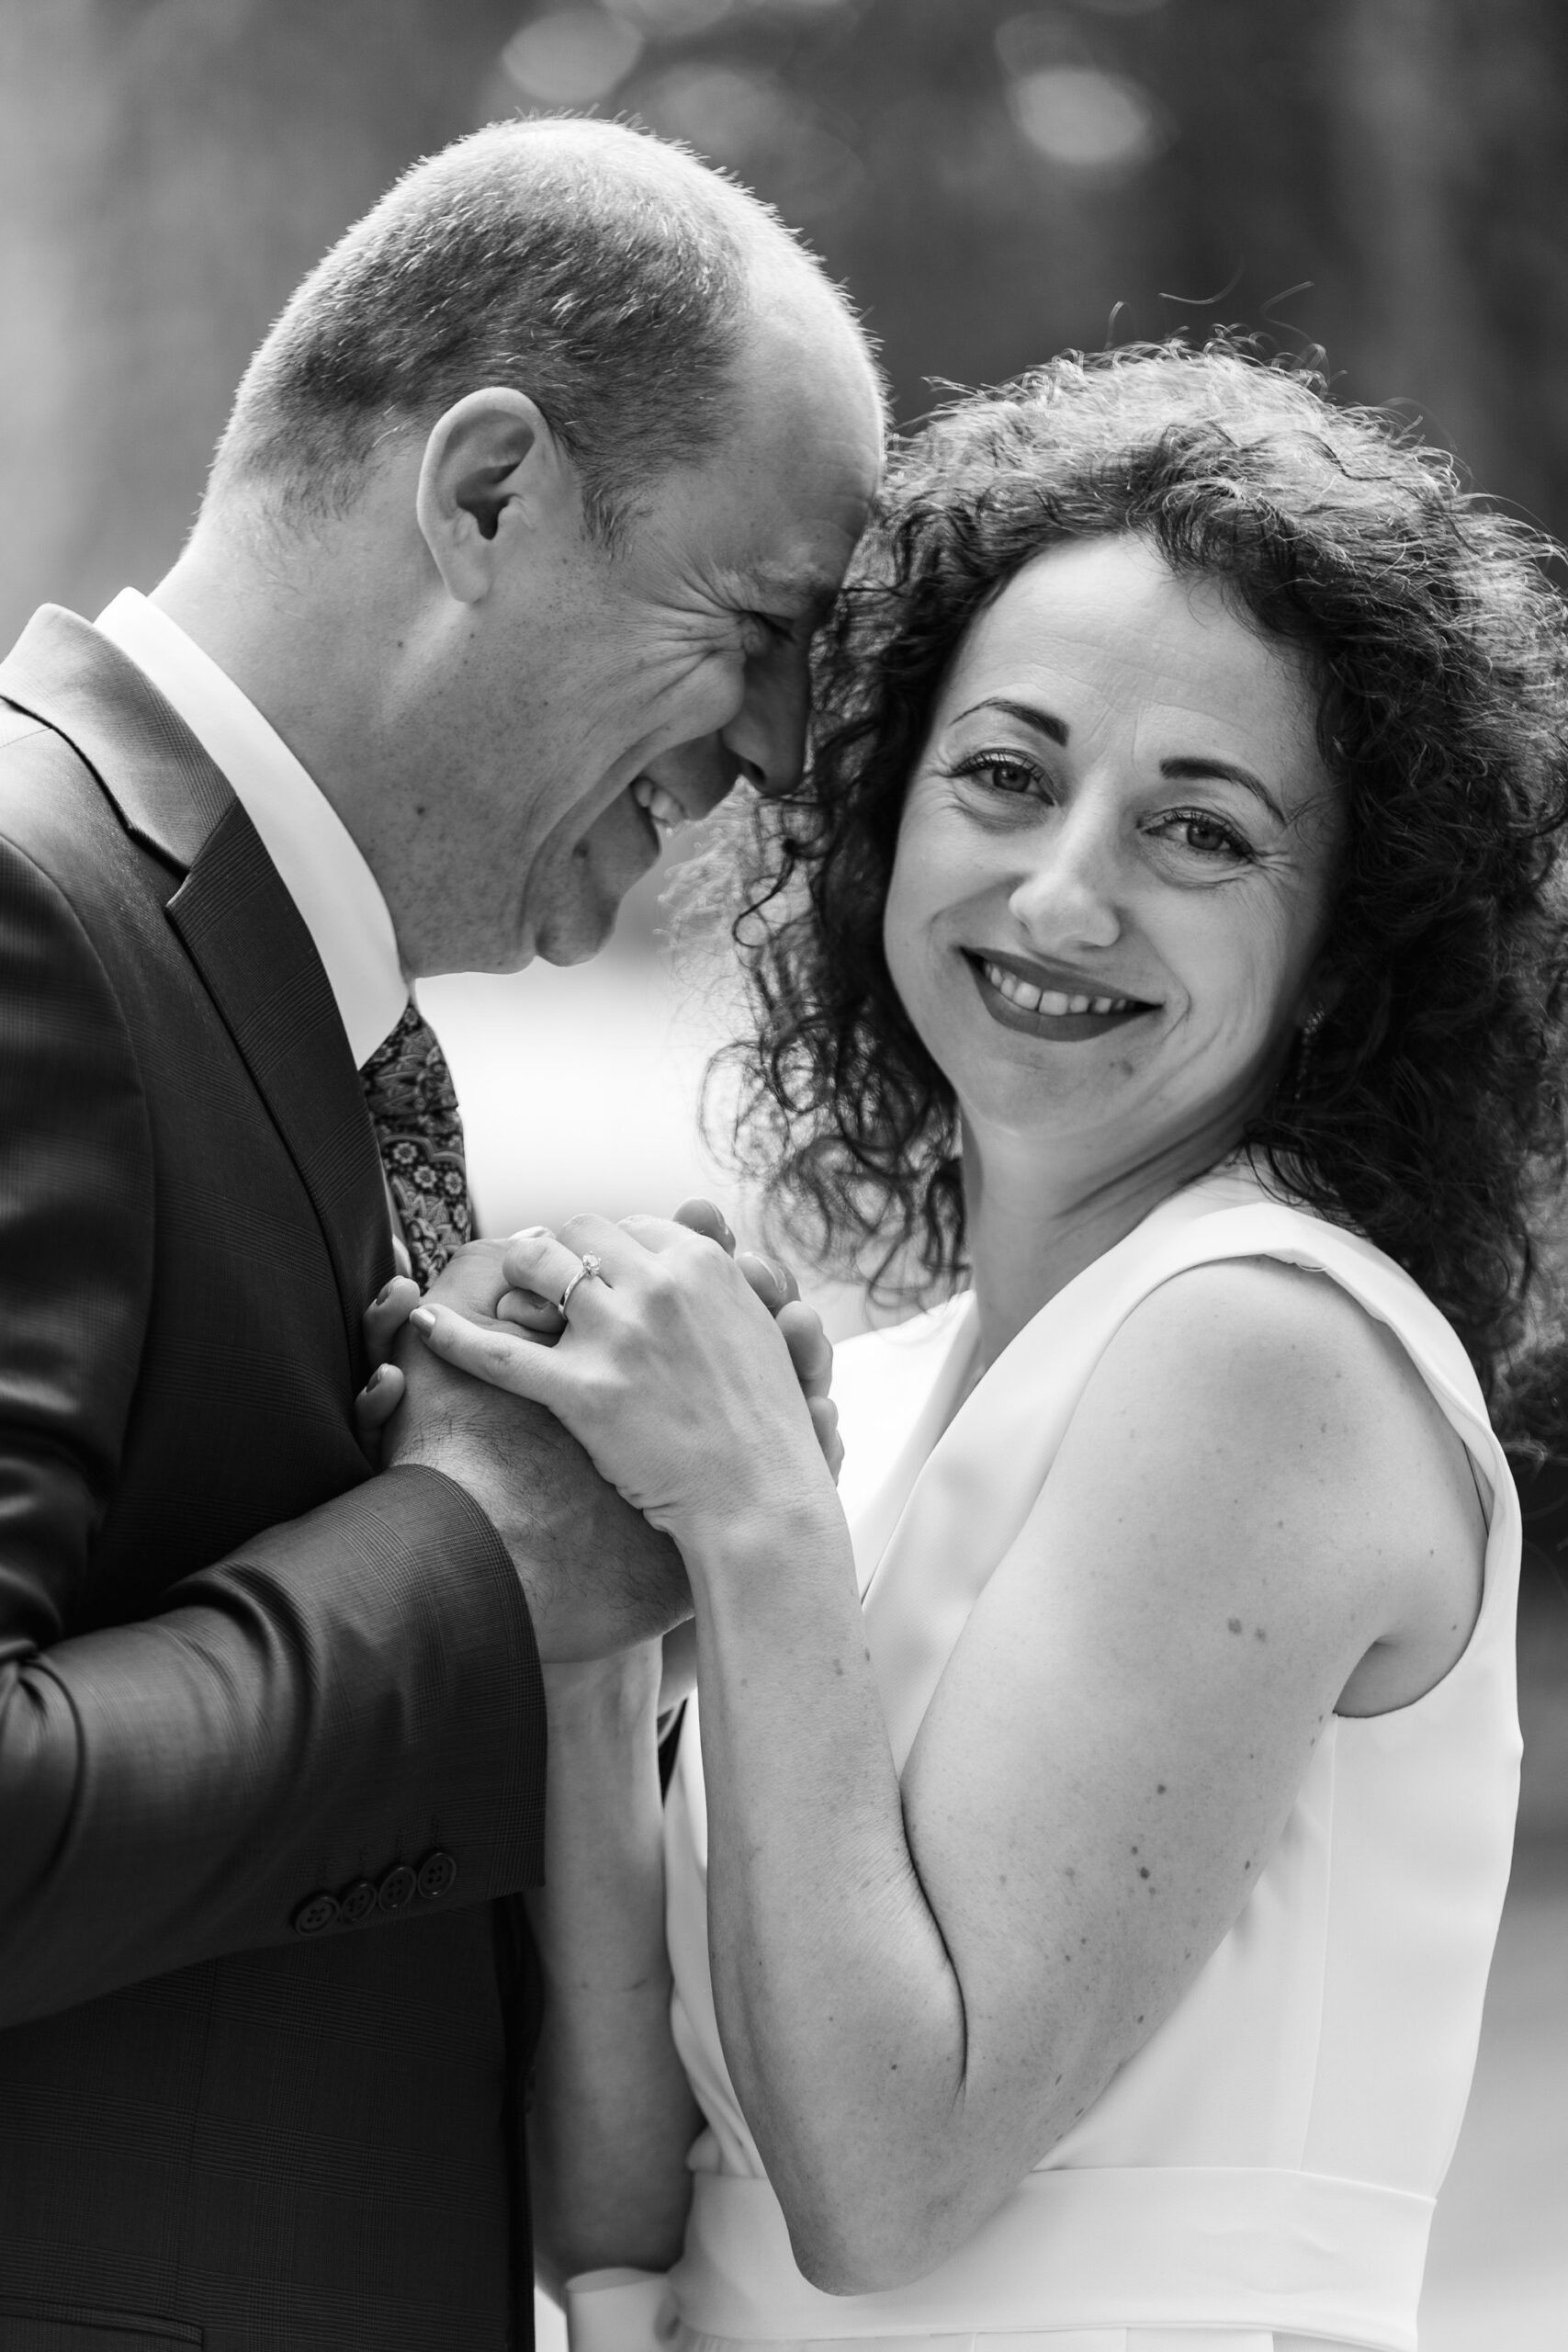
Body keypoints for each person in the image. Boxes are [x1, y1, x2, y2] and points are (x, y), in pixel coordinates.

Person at [412, 342, 1568, 2352]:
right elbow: (633, 2206)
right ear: (886, 825)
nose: (1064, 892)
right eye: (1008, 778)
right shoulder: (884, 1402)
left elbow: (884, 2183)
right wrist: (586, 1591)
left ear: (1342, 944)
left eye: (1199, 831)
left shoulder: (1265, 1349)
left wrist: (745, 1510)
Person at [0, 117, 882, 2349]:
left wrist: (640, 1563)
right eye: (757, 627)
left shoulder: (295, 993)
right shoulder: (26, 906)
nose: (784, 756)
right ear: (485, 492)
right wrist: (481, 1553)